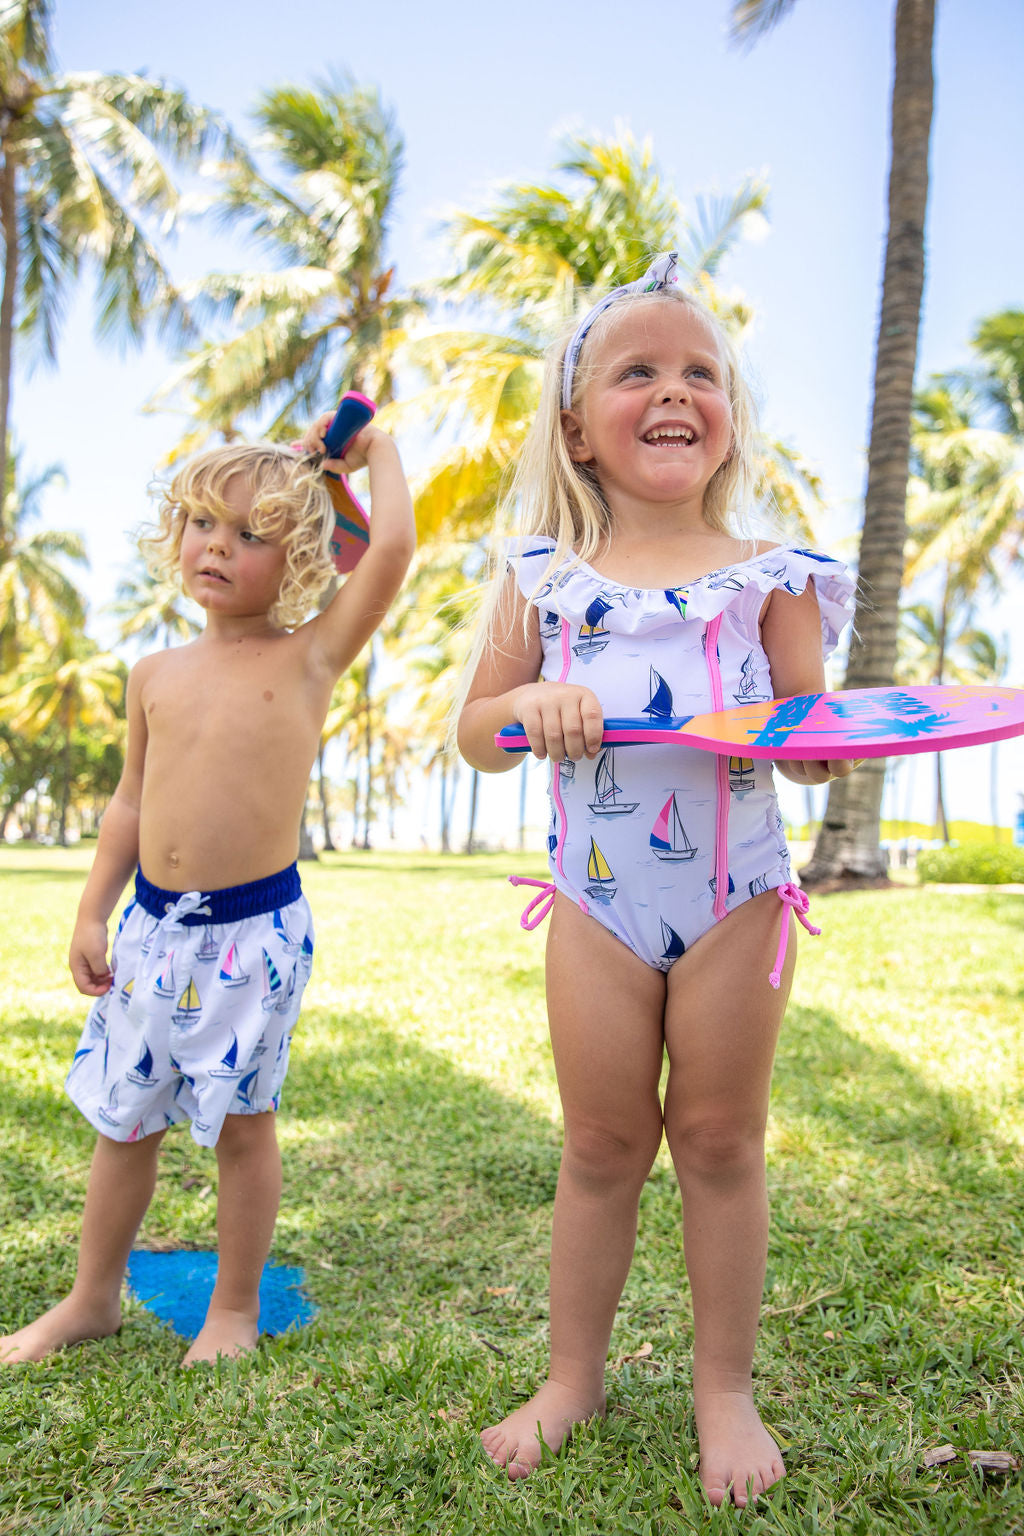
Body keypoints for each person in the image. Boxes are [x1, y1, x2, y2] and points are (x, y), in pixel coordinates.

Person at [457, 252, 857, 1506]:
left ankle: (721, 1388)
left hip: (737, 896)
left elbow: (812, 760)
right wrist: (531, 700)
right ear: (577, 426)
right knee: (600, 1143)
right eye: (639, 371)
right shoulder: (542, 579)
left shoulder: (773, 576)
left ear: (728, 415)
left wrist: (815, 732)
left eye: (702, 372)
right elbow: (474, 733)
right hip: (593, 903)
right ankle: (573, 1374)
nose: (674, 391)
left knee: (722, 1140)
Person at [0, 417, 414, 1368]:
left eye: (251, 533)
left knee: (241, 1127)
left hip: (251, 938)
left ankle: (231, 1312)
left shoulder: (310, 657)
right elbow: (130, 803)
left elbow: (390, 547)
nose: (216, 546)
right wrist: (91, 910)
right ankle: (89, 1299)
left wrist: (371, 450)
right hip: (149, 932)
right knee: (122, 1124)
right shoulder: (154, 673)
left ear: (303, 557)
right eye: (200, 523)